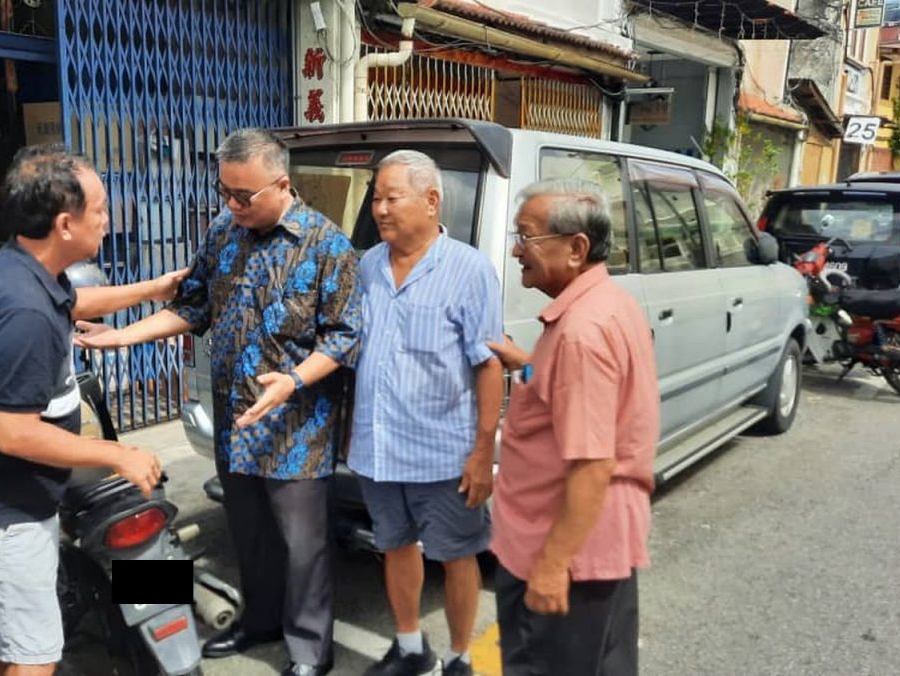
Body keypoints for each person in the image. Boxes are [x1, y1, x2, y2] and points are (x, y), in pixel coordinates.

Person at [75, 128, 362, 676]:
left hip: (296, 430)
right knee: (249, 535)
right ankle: (261, 624)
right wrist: (122, 336)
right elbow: (193, 305)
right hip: (235, 422)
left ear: (282, 184)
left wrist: (294, 381)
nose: (231, 205)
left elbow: (345, 337)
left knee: (304, 547)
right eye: (223, 192)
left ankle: (309, 651)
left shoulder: (328, 246)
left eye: (243, 196)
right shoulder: (223, 232)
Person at [0, 144, 183, 676]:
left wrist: (156, 288)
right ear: (65, 223)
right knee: (37, 659)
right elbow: (16, 434)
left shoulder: (23, 267)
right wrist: (118, 453)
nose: (109, 219)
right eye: (101, 209)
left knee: (0, 643)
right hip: (0, 520)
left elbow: (75, 303)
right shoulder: (24, 311)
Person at [486, 179, 659, 676]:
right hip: (600, 542)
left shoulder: (582, 333)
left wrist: (552, 565)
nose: (517, 250)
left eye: (528, 237)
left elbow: (592, 461)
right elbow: (568, 394)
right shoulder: (607, 303)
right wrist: (527, 365)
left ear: (576, 248)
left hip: (565, 547)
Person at [346, 151, 502, 676]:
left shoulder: (469, 268)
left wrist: (483, 452)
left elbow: (488, 366)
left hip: (443, 453)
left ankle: (460, 657)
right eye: (376, 197)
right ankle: (412, 648)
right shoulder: (367, 265)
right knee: (393, 545)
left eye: (392, 197)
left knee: (457, 555)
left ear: (431, 201)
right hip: (378, 448)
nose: (381, 208)